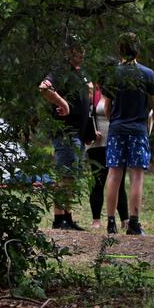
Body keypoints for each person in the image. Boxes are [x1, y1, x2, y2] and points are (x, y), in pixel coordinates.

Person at [101, 32, 154, 235]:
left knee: (114, 174)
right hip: (138, 130)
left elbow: (107, 106)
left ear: (120, 50)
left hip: (117, 129)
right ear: (138, 50)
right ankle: (134, 223)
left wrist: (115, 120)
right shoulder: (147, 74)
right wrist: (153, 124)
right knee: (136, 176)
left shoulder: (113, 74)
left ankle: (111, 222)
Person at [39, 40, 91, 231]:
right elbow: (44, 87)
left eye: (83, 49)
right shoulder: (60, 71)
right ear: (68, 52)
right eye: (77, 49)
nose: (82, 53)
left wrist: (90, 129)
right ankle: (58, 219)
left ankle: (67, 217)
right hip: (65, 132)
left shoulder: (80, 73)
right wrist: (63, 103)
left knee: (72, 176)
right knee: (65, 175)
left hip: (79, 132)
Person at [86, 79, 128, 230]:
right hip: (97, 143)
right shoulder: (93, 93)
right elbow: (86, 114)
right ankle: (96, 220)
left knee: (119, 182)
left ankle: (125, 219)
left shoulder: (118, 93)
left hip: (116, 142)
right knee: (98, 180)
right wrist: (91, 131)